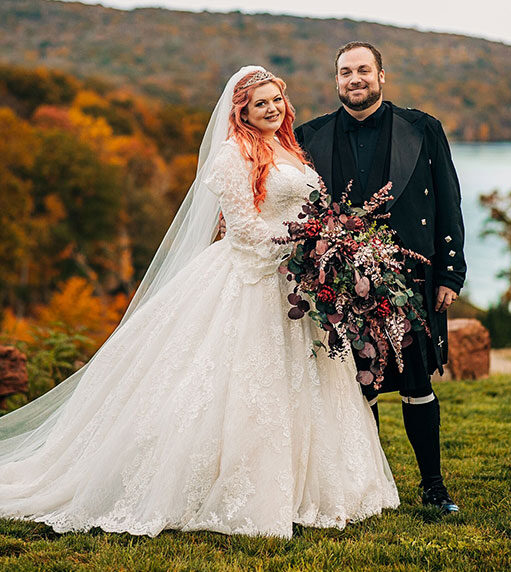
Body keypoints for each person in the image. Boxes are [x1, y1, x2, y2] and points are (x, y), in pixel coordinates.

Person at [0, 66, 399, 538]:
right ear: (242, 112)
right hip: (251, 279)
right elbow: (246, 229)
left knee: (308, 382)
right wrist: (305, 245)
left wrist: (327, 246)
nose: (271, 108)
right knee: (232, 384)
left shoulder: (290, 149)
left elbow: (307, 208)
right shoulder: (232, 156)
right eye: (259, 104)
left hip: (297, 286)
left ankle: (314, 485)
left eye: (276, 100)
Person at [295, 42, 466, 513]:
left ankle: (433, 485)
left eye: (363, 70)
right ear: (336, 82)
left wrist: (451, 273)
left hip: (412, 280)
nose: (355, 79)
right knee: (355, 386)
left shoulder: (424, 128)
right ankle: (369, 483)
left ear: (381, 76)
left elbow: (448, 203)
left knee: (416, 384)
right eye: (346, 72)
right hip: (342, 284)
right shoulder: (309, 135)